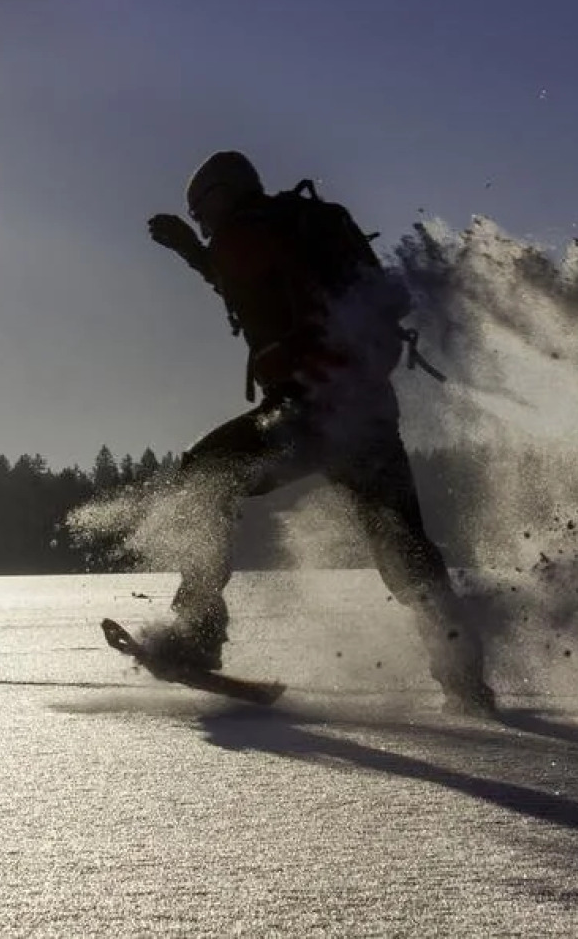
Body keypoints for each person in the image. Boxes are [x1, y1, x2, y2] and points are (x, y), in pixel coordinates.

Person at [141, 150, 496, 715]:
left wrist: (194, 249)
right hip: (366, 412)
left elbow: (235, 274)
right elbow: (248, 282)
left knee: (204, 474)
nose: (204, 224)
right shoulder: (304, 226)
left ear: (222, 196)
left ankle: (200, 629)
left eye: (201, 211)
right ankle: (466, 679)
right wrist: (193, 251)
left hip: (306, 412)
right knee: (403, 548)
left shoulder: (245, 233)